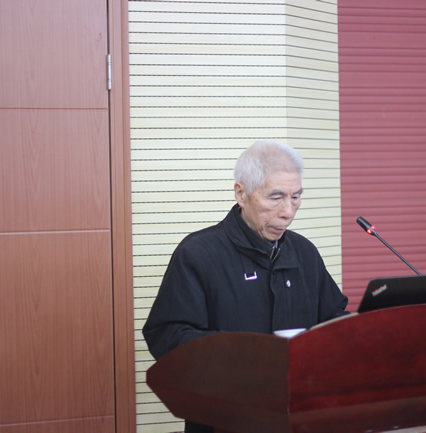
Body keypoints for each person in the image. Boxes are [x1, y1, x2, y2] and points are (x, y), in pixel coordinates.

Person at [142, 139, 349, 433]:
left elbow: (332, 319)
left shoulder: (304, 253)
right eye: (276, 197)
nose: (288, 211)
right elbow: (166, 336)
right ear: (241, 193)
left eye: (296, 197)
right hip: (224, 418)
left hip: (301, 416)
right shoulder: (199, 253)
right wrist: (245, 357)